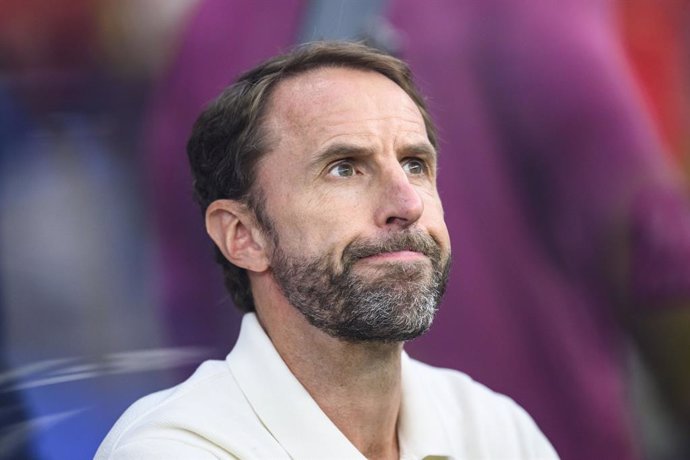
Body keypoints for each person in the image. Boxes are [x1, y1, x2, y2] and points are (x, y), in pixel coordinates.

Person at [96, 41, 558, 459]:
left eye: (415, 165)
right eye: (343, 169)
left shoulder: (493, 430)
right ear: (243, 235)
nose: (407, 204)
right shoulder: (173, 449)